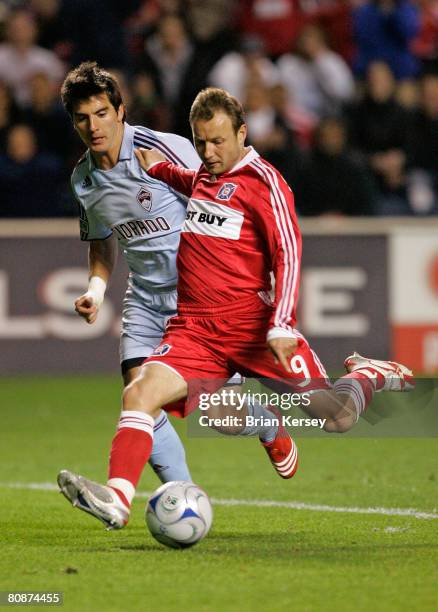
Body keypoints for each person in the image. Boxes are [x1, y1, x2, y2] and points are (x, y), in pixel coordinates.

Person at [58, 87, 414, 530]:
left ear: (242, 133)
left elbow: (289, 252)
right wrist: (165, 171)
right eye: (201, 141)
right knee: (139, 392)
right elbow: (194, 183)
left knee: (336, 417)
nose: (207, 152)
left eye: (218, 142)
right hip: (194, 329)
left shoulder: (266, 184)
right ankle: (118, 499)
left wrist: (281, 324)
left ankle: (366, 374)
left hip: (253, 327)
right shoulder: (203, 173)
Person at [58, 63, 284, 496]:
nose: (94, 126)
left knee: (219, 412)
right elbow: (102, 240)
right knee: (138, 392)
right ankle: (181, 496)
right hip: (143, 298)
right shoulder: (83, 179)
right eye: (83, 118)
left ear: (121, 111)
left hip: (197, 300)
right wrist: (96, 288)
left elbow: (227, 193)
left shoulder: (163, 149)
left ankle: (268, 424)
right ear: (74, 122)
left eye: (102, 113)